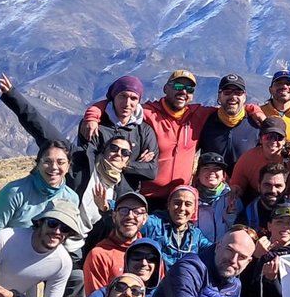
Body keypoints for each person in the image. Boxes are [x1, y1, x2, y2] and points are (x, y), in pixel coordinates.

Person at [0, 74, 135, 229]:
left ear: (127, 161)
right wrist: (12, 96)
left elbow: (119, 228)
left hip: (91, 240)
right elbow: (41, 128)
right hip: (60, 233)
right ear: (103, 151)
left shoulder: (123, 190)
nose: (118, 154)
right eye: (114, 148)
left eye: (125, 153)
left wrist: (105, 209)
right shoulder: (81, 160)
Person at [82, 70, 213, 205]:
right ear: (166, 89)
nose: (183, 92)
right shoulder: (148, 112)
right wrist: (92, 116)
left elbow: (223, 111)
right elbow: (115, 103)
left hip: (177, 198)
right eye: (178, 86)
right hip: (145, 196)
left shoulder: (197, 115)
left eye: (189, 89)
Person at [0, 141, 84, 241]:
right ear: (38, 164)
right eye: (47, 161)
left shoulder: (71, 198)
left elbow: (68, 237)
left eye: (60, 162)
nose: (54, 167)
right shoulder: (15, 192)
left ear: (68, 166)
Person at [0, 205, 82, 297]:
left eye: (65, 228)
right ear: (40, 222)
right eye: (52, 223)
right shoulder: (4, 239)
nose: (57, 231)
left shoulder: (63, 263)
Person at [78, 75, 159, 187]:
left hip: (127, 194)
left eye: (133, 98)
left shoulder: (144, 131)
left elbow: (151, 171)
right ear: (114, 97)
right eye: (123, 96)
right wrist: (134, 165)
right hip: (95, 189)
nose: (127, 103)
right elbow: (87, 159)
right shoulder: (95, 126)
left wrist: (120, 163)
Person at [82, 191, 153, 295]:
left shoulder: (153, 253)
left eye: (137, 212)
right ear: (114, 216)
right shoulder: (99, 255)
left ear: (145, 218)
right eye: (123, 210)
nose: (130, 216)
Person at [230, 117, 290, 204]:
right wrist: (236, 190)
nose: (273, 141)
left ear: (284, 140)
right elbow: (237, 185)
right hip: (260, 202)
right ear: (260, 139)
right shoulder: (247, 159)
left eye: (278, 137)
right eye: (268, 137)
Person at [197, 73, 261, 171]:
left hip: (246, 181)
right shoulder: (205, 122)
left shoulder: (256, 124)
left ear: (244, 97)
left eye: (238, 92)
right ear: (219, 96)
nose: (233, 96)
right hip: (212, 180)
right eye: (227, 92)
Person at [140, 183, 212, 269]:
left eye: (188, 204)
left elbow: (213, 250)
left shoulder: (196, 235)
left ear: (194, 209)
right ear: (168, 205)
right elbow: (136, 221)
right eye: (177, 203)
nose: (182, 208)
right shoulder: (154, 224)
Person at [193, 151, 238, 240]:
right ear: (198, 174)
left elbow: (238, 228)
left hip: (224, 247)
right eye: (206, 168)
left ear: (224, 175)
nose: (211, 172)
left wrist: (230, 215)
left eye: (217, 169)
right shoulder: (190, 198)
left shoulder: (232, 197)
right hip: (197, 247)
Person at [261, 69, 290, 142]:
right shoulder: (258, 113)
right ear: (270, 90)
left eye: (289, 83)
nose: (284, 86)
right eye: (279, 83)